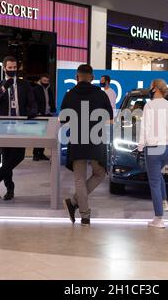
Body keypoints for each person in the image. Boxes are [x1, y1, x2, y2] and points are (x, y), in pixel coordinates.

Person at [61, 64, 113, 227]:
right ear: (92, 77)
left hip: (77, 139)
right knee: (100, 173)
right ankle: (74, 203)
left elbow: (63, 118)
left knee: (79, 178)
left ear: (77, 77)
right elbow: (110, 117)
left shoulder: (70, 95)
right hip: (96, 139)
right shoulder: (100, 94)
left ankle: (84, 215)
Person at [0, 56, 37, 201]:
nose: (13, 70)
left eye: (15, 68)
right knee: (7, 158)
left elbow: (32, 101)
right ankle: (9, 189)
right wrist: (4, 88)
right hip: (3, 126)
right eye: (10, 68)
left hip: (20, 125)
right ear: (4, 68)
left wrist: (33, 111)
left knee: (18, 155)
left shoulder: (25, 84)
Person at [137, 79, 168, 229]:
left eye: (150, 87)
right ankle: (164, 201)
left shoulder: (149, 106)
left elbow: (145, 128)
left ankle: (158, 218)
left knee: (154, 182)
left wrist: (140, 146)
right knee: (158, 174)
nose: (149, 89)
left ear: (156, 89)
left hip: (154, 147)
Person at [31, 73, 56, 161]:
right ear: (41, 80)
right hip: (40, 115)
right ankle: (35, 154)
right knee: (39, 135)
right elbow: (33, 101)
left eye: (47, 81)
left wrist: (53, 110)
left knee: (45, 136)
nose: (46, 82)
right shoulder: (35, 89)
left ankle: (41, 153)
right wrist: (36, 112)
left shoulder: (49, 89)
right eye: (44, 80)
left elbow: (51, 100)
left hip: (48, 114)